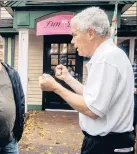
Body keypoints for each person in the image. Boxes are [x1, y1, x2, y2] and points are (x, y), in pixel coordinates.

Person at [39, 7, 135, 154]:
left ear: (90, 33)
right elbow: (92, 96)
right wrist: (68, 78)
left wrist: (55, 88)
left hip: (107, 146)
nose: (72, 41)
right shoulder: (108, 56)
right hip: (105, 143)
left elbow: (92, 109)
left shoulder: (106, 59)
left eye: (75, 35)